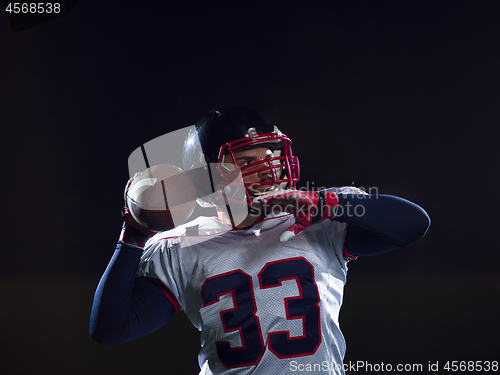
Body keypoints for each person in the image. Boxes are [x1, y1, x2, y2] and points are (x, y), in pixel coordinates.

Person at [90, 106, 430, 375]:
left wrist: (330, 204)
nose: (268, 169)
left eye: (271, 155)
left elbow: (414, 225)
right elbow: (111, 330)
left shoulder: (319, 217)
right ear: (208, 175)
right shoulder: (180, 244)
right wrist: (133, 238)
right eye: (248, 160)